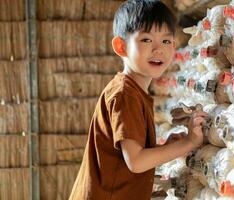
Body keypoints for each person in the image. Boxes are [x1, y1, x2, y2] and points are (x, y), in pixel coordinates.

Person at [69, 0, 207, 199]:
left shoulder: (135, 92)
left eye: (166, 41)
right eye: (146, 40)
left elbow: (127, 159)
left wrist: (166, 149)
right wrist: (189, 143)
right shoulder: (125, 95)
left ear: (174, 46)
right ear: (121, 46)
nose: (158, 49)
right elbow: (136, 162)